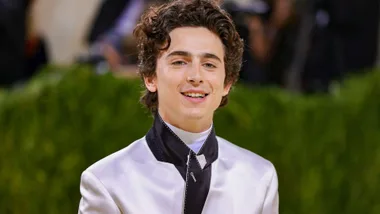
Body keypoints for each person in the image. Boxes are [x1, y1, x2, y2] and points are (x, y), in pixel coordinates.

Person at [78, 0, 279, 213]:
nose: (195, 76)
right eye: (179, 62)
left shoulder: (259, 179)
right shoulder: (106, 182)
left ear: (227, 83)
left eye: (209, 65)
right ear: (150, 77)